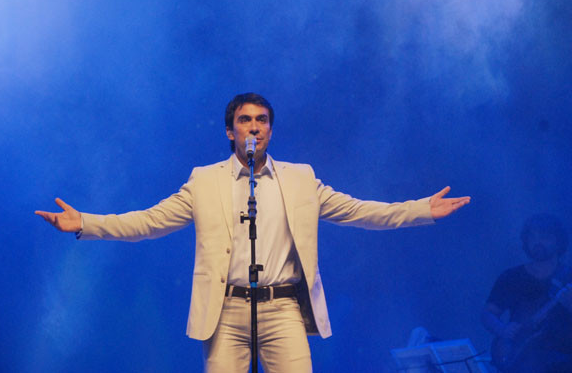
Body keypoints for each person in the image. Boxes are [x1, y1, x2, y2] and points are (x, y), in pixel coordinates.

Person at [36, 92, 470, 372]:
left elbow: (359, 210)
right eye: (246, 120)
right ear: (231, 132)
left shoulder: (300, 179)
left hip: (283, 309)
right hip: (225, 311)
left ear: (270, 130)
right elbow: (149, 221)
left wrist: (419, 210)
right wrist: (87, 223)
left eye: (262, 120)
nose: (255, 127)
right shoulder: (203, 181)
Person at [482, 214, 572, 373]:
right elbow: (488, 314)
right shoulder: (511, 277)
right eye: (532, 237)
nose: (537, 242)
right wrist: (502, 330)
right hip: (519, 361)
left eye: (544, 237)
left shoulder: (568, 276)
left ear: (558, 241)